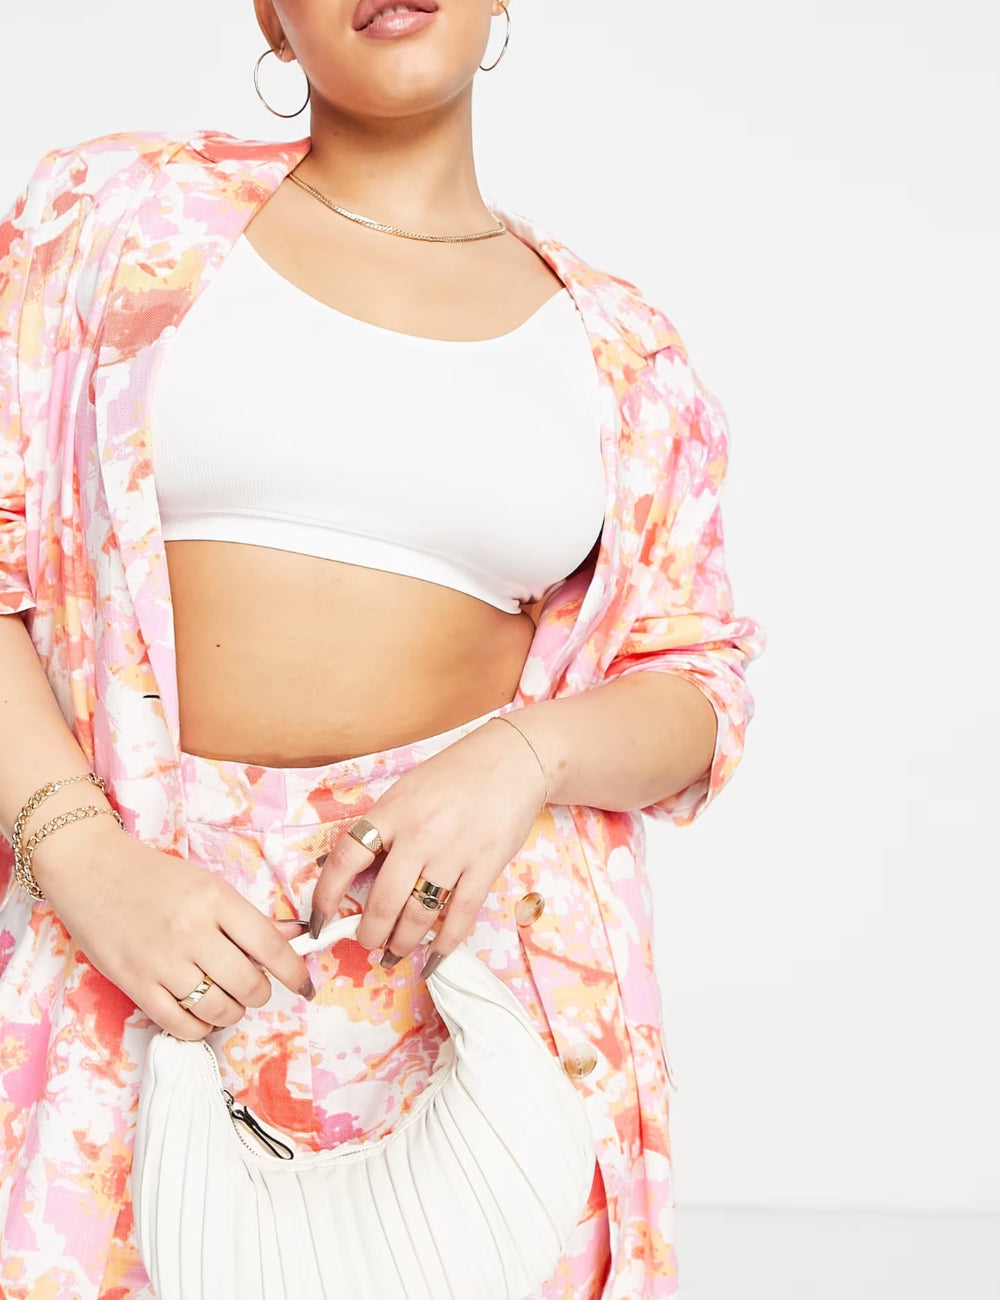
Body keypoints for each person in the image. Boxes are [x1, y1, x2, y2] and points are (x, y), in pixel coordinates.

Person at [0, 1, 766, 1296]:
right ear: (272, 16)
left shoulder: (621, 351)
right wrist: (85, 858)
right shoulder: (110, 220)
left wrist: (521, 759)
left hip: (474, 995)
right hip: (127, 942)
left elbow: (698, 682)